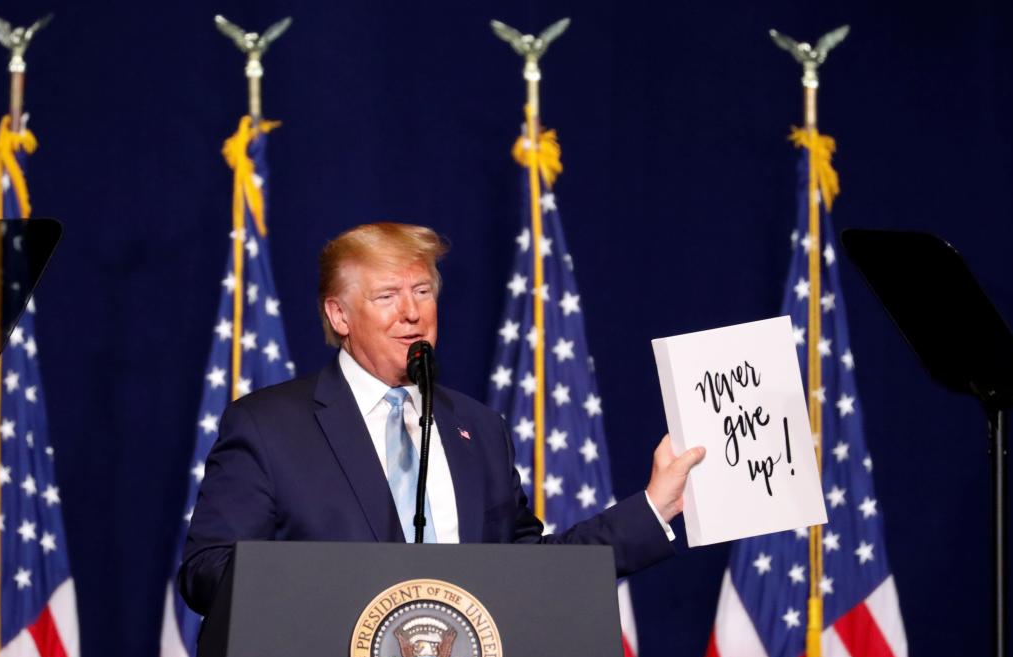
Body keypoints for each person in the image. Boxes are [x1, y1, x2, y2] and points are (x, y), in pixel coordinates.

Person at [179, 222, 705, 615]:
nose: (411, 312)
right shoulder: (269, 427)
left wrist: (654, 505)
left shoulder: (477, 429)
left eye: (423, 292)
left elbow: (529, 572)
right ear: (340, 315)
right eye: (387, 296)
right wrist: (331, 589)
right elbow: (207, 573)